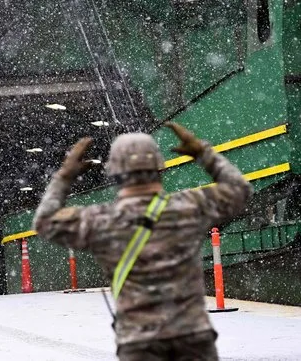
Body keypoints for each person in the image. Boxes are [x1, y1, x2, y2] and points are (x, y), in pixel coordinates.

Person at [33, 122, 253, 360]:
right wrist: (203, 153)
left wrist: (65, 175)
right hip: (192, 338)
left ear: (114, 173)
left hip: (139, 343)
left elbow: (44, 222)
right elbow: (240, 189)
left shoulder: (100, 220)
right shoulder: (190, 207)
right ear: (160, 169)